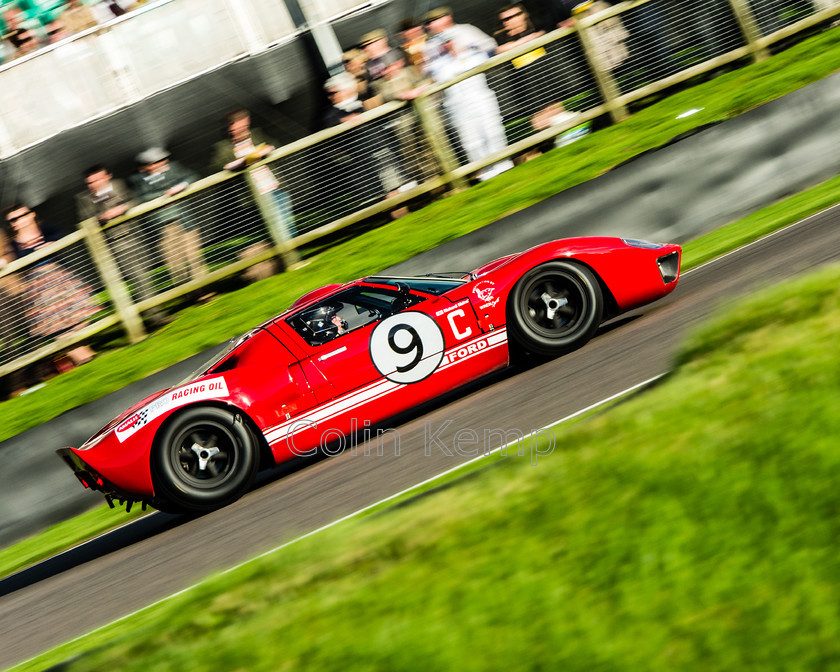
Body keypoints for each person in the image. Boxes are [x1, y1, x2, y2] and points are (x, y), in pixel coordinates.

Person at [2, 203, 98, 375]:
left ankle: (84, 356)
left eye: (20, 216)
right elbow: (16, 259)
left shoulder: (45, 228)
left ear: (31, 215)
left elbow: (62, 235)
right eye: (12, 220)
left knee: (77, 317)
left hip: (60, 277)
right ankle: (84, 359)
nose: (17, 221)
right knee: (57, 325)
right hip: (38, 286)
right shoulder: (13, 244)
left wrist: (50, 243)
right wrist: (34, 249)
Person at [422, 6, 514, 181]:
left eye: (436, 20)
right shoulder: (431, 48)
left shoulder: (467, 31)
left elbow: (489, 50)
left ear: (448, 17)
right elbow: (432, 72)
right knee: (470, 140)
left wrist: (466, 52)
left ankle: (504, 166)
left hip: (479, 94)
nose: (448, 44)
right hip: (455, 103)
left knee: (492, 130)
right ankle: (485, 175)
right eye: (430, 23)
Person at [75, 164, 162, 320]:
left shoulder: (119, 185)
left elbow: (135, 200)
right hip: (116, 243)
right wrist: (103, 217)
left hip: (136, 237)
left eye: (98, 180)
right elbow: (85, 219)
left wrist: (123, 207)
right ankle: (155, 316)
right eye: (90, 182)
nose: (94, 185)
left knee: (145, 275)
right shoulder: (84, 199)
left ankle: (144, 312)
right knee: (139, 277)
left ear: (108, 176)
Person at [211, 109, 296, 245]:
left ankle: (295, 256)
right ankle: (285, 258)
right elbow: (217, 166)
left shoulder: (257, 134)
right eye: (238, 129)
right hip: (254, 195)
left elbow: (274, 145)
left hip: (275, 187)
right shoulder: (223, 147)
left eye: (245, 127)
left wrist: (266, 150)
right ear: (230, 128)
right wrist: (243, 161)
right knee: (274, 227)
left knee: (288, 223)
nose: (243, 131)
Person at [129, 147, 207, 287]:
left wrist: (180, 187)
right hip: (163, 228)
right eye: (158, 161)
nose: (164, 162)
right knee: (175, 263)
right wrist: (164, 195)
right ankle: (189, 292)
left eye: (163, 160)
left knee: (193, 256)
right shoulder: (137, 179)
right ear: (146, 165)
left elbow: (191, 176)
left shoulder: (173, 168)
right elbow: (141, 197)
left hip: (185, 221)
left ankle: (205, 288)